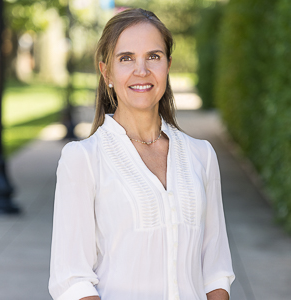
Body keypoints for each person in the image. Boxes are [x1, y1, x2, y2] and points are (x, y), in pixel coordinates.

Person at [48, 8, 235, 300]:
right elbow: (72, 281)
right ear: (106, 71)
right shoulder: (83, 159)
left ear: (168, 66)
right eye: (126, 58)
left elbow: (216, 271)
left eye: (153, 56)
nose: (142, 70)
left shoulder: (202, 156)